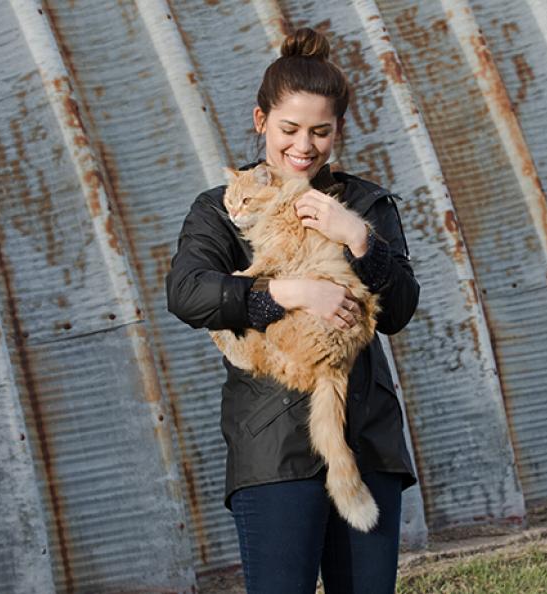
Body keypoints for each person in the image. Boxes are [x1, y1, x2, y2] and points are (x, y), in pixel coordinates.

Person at [166, 26, 419, 594]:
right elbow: (187, 293)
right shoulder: (223, 209)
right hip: (271, 447)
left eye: (320, 132)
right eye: (289, 129)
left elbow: (401, 309)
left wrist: (359, 238)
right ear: (261, 123)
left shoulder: (366, 203)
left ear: (337, 132)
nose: (303, 146)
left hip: (365, 440)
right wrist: (291, 293)